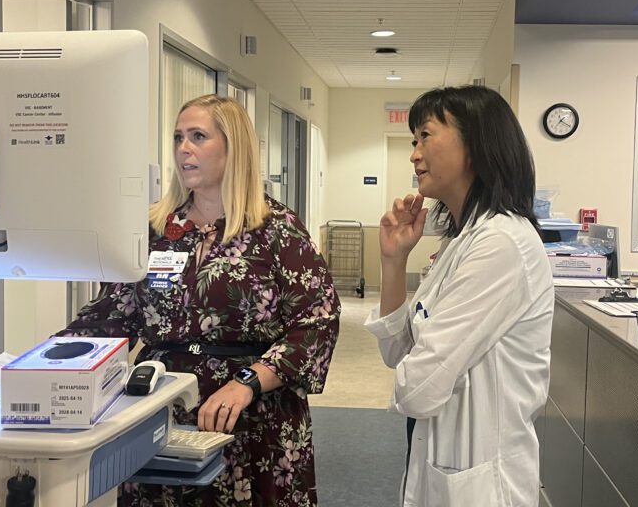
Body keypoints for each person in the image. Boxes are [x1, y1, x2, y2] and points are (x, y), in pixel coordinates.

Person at [59, 94, 340, 506]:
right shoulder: (154, 229)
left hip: (251, 414)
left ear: (233, 146)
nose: (183, 149)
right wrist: (45, 361)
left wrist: (248, 383)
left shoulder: (276, 229)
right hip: (163, 405)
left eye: (197, 137)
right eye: (178, 138)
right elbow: (110, 317)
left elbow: (317, 322)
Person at [364, 85, 553, 506]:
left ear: (477, 145)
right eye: (413, 140)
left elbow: (418, 388)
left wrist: (421, 366)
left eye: (425, 136)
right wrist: (393, 260)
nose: (414, 154)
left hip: (483, 477)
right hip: (446, 457)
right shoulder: (463, 240)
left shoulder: (501, 243)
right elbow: (398, 352)